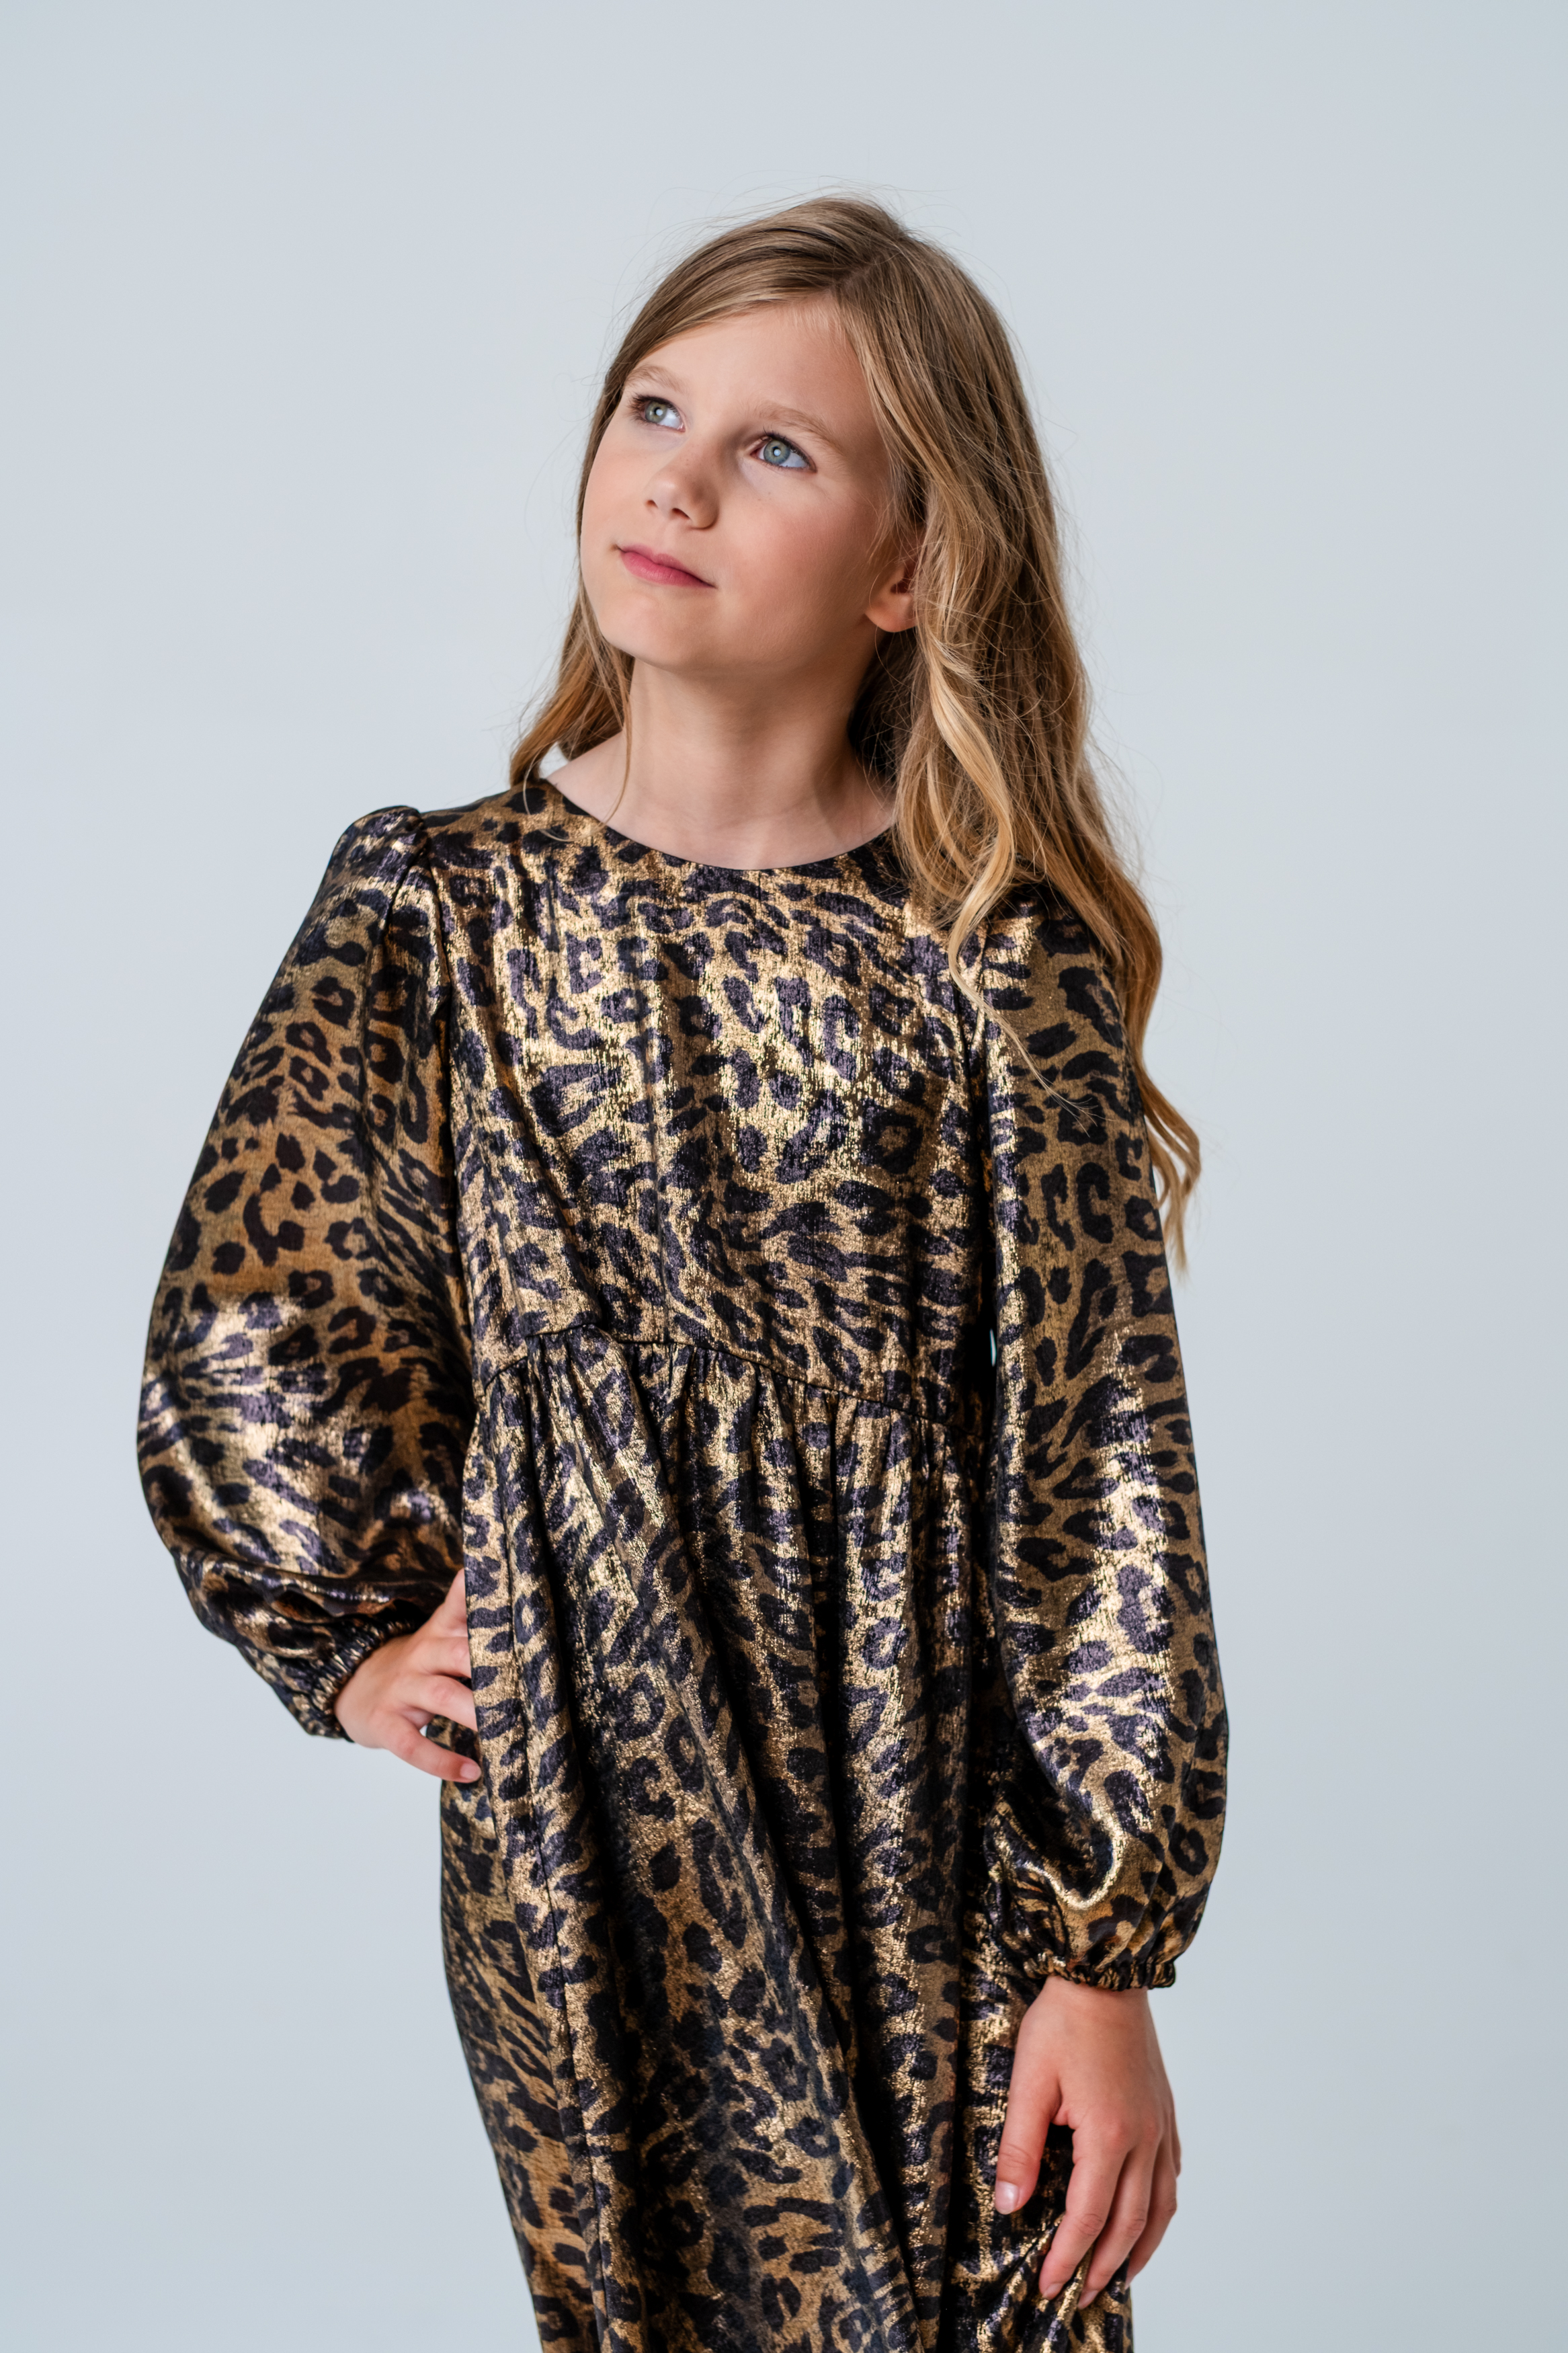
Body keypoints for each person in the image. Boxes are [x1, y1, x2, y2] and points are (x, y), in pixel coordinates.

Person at [138, 195, 1227, 2352]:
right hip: (592, 1814)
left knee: (996, 2301)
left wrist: (1104, 1955)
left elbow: (1101, 1469)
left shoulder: (991, 962)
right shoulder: (438, 913)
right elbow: (259, 1314)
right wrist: (348, 1628)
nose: (679, 478)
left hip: (936, 1802)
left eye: (776, 449)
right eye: (654, 409)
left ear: (909, 569)